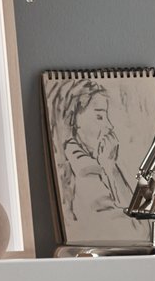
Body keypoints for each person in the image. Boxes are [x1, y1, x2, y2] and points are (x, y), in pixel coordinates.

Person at [52, 75, 135, 238]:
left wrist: (110, 169)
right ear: (74, 120)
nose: (109, 125)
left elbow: (139, 219)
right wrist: (109, 170)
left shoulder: (98, 163)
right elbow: (135, 231)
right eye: (99, 116)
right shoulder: (84, 171)